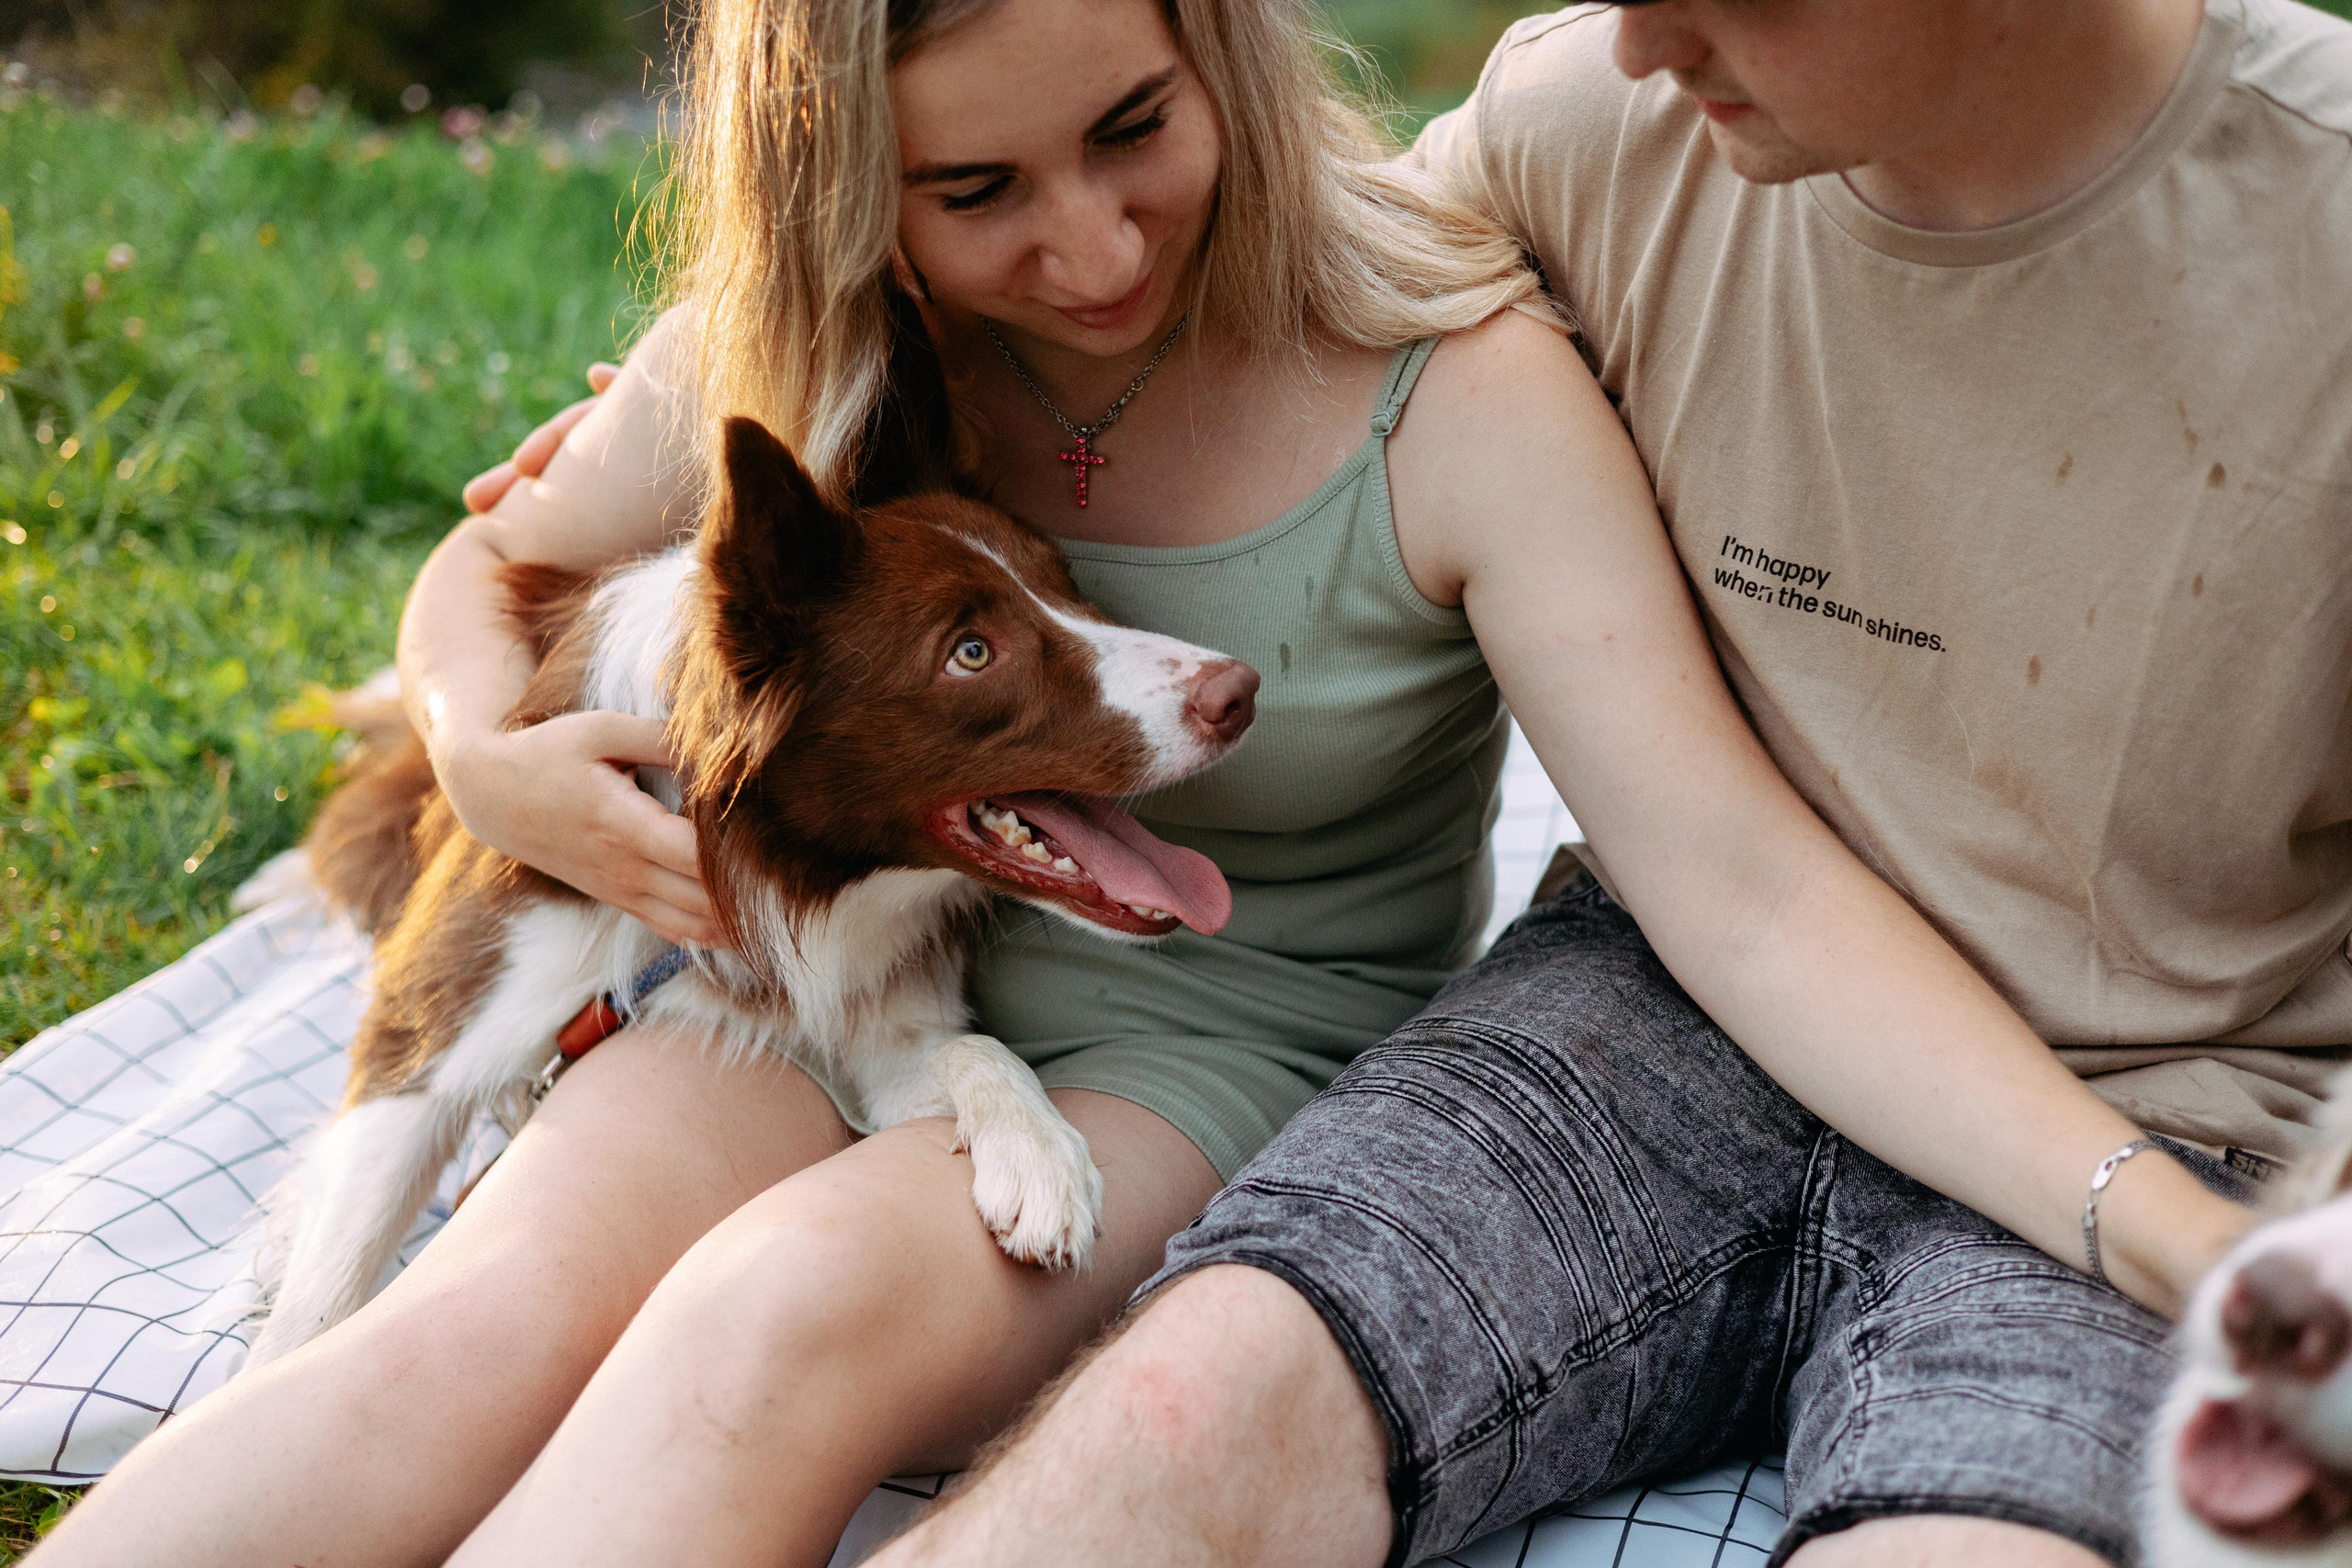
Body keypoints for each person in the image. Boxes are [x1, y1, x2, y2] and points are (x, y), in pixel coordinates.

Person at [24, 4, 2278, 1568]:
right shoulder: (834, 334)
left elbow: (1734, 879)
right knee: (485, 1311)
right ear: (853, 194)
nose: (1086, 253)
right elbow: (493, 556)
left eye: (1132, 129)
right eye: (975, 187)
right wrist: (485, 752)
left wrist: (2169, 1221)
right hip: (854, 970)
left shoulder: (1448, 368)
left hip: (1200, 1033)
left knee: (760, 1313)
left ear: (1217, 54)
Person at [846, 1, 2352, 1566]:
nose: (1641, 38)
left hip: (2172, 1103)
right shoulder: (1594, 125)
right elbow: (1088, 257)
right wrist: (572, 637)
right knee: (1179, 1413)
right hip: (1647, 1023)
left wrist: (2237, 1254)